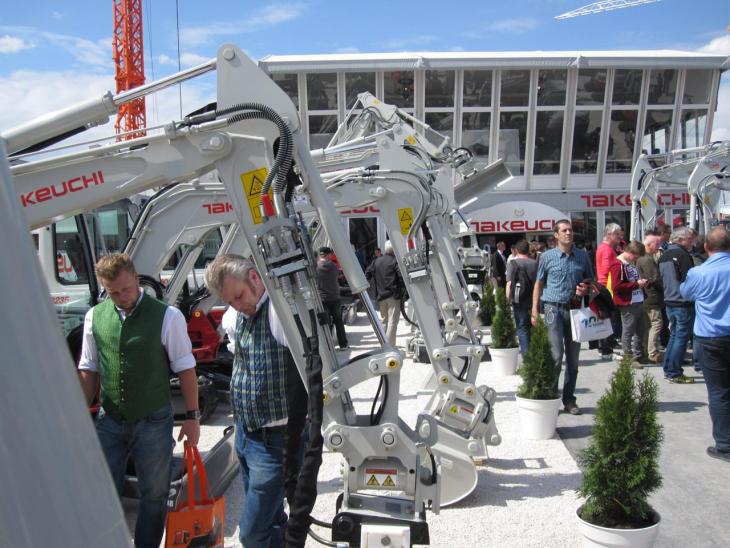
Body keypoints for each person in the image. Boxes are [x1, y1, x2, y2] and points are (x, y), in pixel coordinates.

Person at [78, 253, 199, 548]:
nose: (120, 297)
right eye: (112, 292)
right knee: (102, 491)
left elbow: (185, 368)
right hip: (110, 419)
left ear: (135, 277)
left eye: (125, 289)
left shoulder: (167, 316)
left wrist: (193, 417)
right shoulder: (95, 316)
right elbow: (88, 368)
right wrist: (80, 418)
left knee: (154, 495)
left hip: (153, 420)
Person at [204, 254, 305, 547]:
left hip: (276, 442)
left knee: (251, 533)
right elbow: (241, 357)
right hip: (246, 435)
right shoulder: (235, 315)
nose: (237, 305)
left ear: (255, 278)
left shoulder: (279, 313)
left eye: (239, 296)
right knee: (271, 518)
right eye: (230, 300)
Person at [531, 219, 593, 415]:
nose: (569, 233)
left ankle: (569, 400)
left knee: (573, 360)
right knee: (556, 356)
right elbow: (539, 284)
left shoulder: (582, 257)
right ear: (556, 235)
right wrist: (534, 309)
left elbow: (591, 281)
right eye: (564, 230)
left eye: (571, 230)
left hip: (575, 310)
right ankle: (551, 397)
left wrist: (586, 288)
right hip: (552, 309)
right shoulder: (547, 257)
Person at [680, 227, 730, 463]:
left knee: (719, 392)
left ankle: (725, 444)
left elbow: (685, 294)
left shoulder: (698, 272)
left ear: (706, 248)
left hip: (710, 337)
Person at [658, 226, 696, 384]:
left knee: (675, 336)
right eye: (689, 239)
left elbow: (661, 279)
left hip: (669, 301)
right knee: (680, 337)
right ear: (680, 240)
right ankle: (674, 372)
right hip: (682, 302)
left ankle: (669, 369)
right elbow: (690, 279)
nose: (692, 242)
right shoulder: (682, 255)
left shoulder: (663, 255)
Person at [611, 241, 650, 368]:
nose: (637, 259)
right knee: (628, 331)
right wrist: (636, 285)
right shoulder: (618, 264)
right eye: (636, 256)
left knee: (641, 329)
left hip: (637, 300)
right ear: (630, 253)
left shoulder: (629, 263)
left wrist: (641, 284)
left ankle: (639, 355)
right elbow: (616, 286)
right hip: (628, 303)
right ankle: (628, 357)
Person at [595, 223, 623, 359]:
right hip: (607, 287)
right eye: (617, 234)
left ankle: (607, 347)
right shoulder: (606, 249)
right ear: (609, 234)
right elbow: (607, 269)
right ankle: (606, 350)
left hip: (605, 286)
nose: (620, 237)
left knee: (608, 319)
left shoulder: (605, 248)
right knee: (608, 319)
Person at [505, 239, 537, 356]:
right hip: (532, 300)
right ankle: (534, 353)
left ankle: (526, 356)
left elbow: (509, 284)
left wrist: (507, 301)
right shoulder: (534, 263)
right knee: (533, 327)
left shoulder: (512, 263)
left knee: (522, 328)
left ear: (516, 250)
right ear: (528, 250)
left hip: (518, 300)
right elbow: (538, 284)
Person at [637, 234, 664, 364]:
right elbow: (654, 278)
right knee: (656, 323)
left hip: (647, 295)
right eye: (656, 244)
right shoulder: (646, 259)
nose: (658, 247)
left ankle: (647, 350)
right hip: (650, 296)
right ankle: (652, 352)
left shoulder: (644, 258)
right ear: (648, 245)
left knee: (648, 325)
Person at [371, 240, 404, 346]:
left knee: (384, 320)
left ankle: (383, 344)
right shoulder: (395, 261)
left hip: (381, 296)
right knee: (392, 322)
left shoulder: (377, 261)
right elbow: (401, 276)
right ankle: (390, 347)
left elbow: (368, 273)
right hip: (392, 296)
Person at [317, 246, 348, 350]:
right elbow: (338, 276)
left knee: (325, 323)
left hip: (322, 299)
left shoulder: (315, 267)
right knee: (338, 321)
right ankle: (343, 345)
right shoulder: (334, 266)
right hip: (335, 297)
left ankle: (328, 346)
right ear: (328, 254)